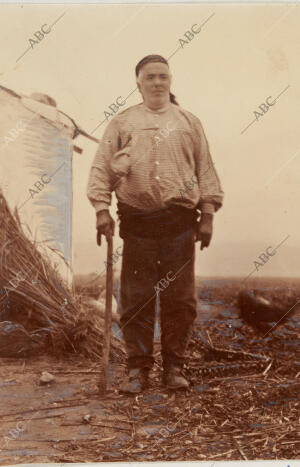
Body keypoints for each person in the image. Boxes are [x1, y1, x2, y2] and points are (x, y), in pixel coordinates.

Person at [87, 54, 224, 393]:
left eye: (163, 76)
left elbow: (205, 170)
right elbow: (101, 169)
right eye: (150, 77)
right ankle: (138, 370)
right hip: (138, 224)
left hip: (179, 223)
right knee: (136, 298)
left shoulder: (188, 122)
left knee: (180, 299)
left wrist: (207, 215)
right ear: (138, 83)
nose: (158, 82)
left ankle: (174, 368)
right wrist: (101, 210)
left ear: (171, 80)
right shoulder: (122, 123)